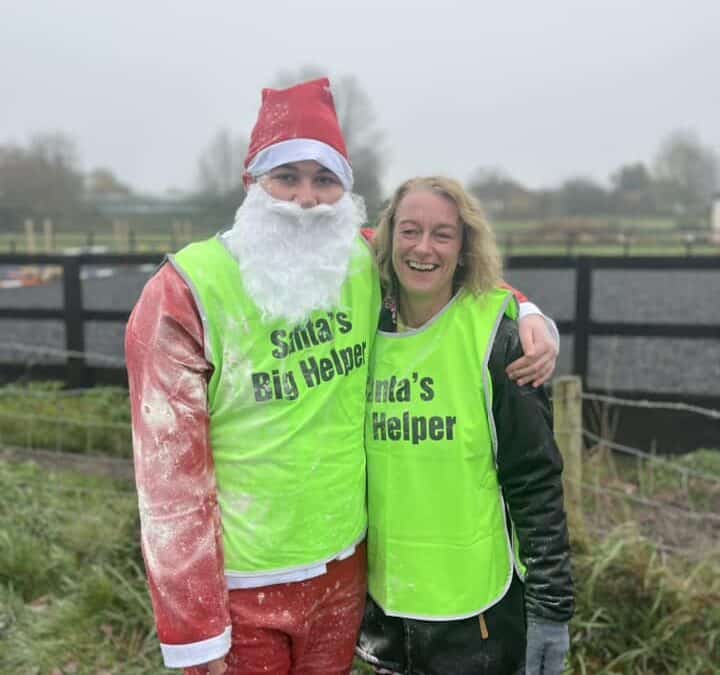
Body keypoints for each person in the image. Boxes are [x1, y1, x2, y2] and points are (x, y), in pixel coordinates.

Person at [126, 79, 560, 675]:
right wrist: (196, 639)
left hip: (345, 575)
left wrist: (529, 312)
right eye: (287, 177)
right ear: (250, 183)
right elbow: (167, 487)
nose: (306, 199)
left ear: (345, 191)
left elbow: (443, 270)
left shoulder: (356, 262)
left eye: (324, 180)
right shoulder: (186, 293)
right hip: (243, 587)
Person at [355, 177, 574, 675]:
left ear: (464, 245)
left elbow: (536, 482)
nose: (423, 248)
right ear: (388, 239)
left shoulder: (501, 338)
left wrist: (551, 610)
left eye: (442, 235)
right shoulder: (361, 330)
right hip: (387, 617)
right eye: (409, 231)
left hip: (479, 622)